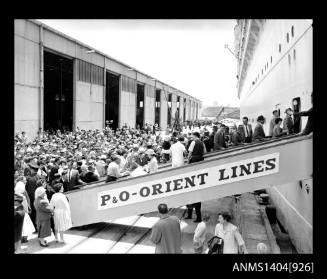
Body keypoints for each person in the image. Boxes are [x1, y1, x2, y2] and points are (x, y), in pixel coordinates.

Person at [186, 132, 206, 222]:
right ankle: (197, 217)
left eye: (193, 136)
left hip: (194, 160)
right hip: (200, 160)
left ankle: (190, 214)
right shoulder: (202, 142)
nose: (192, 138)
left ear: (195, 136)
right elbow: (205, 152)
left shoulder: (193, 142)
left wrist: (187, 161)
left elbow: (190, 152)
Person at [15, 179, 35, 244]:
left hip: (16, 212)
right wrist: (27, 211)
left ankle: (19, 239)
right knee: (25, 226)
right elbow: (25, 206)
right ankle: (24, 239)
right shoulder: (22, 197)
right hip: (23, 212)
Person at [25, 161, 41, 228]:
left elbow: (30, 192)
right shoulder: (39, 177)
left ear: (32, 169)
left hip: (32, 199)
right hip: (39, 199)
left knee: (33, 214)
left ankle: (34, 227)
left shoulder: (29, 178)